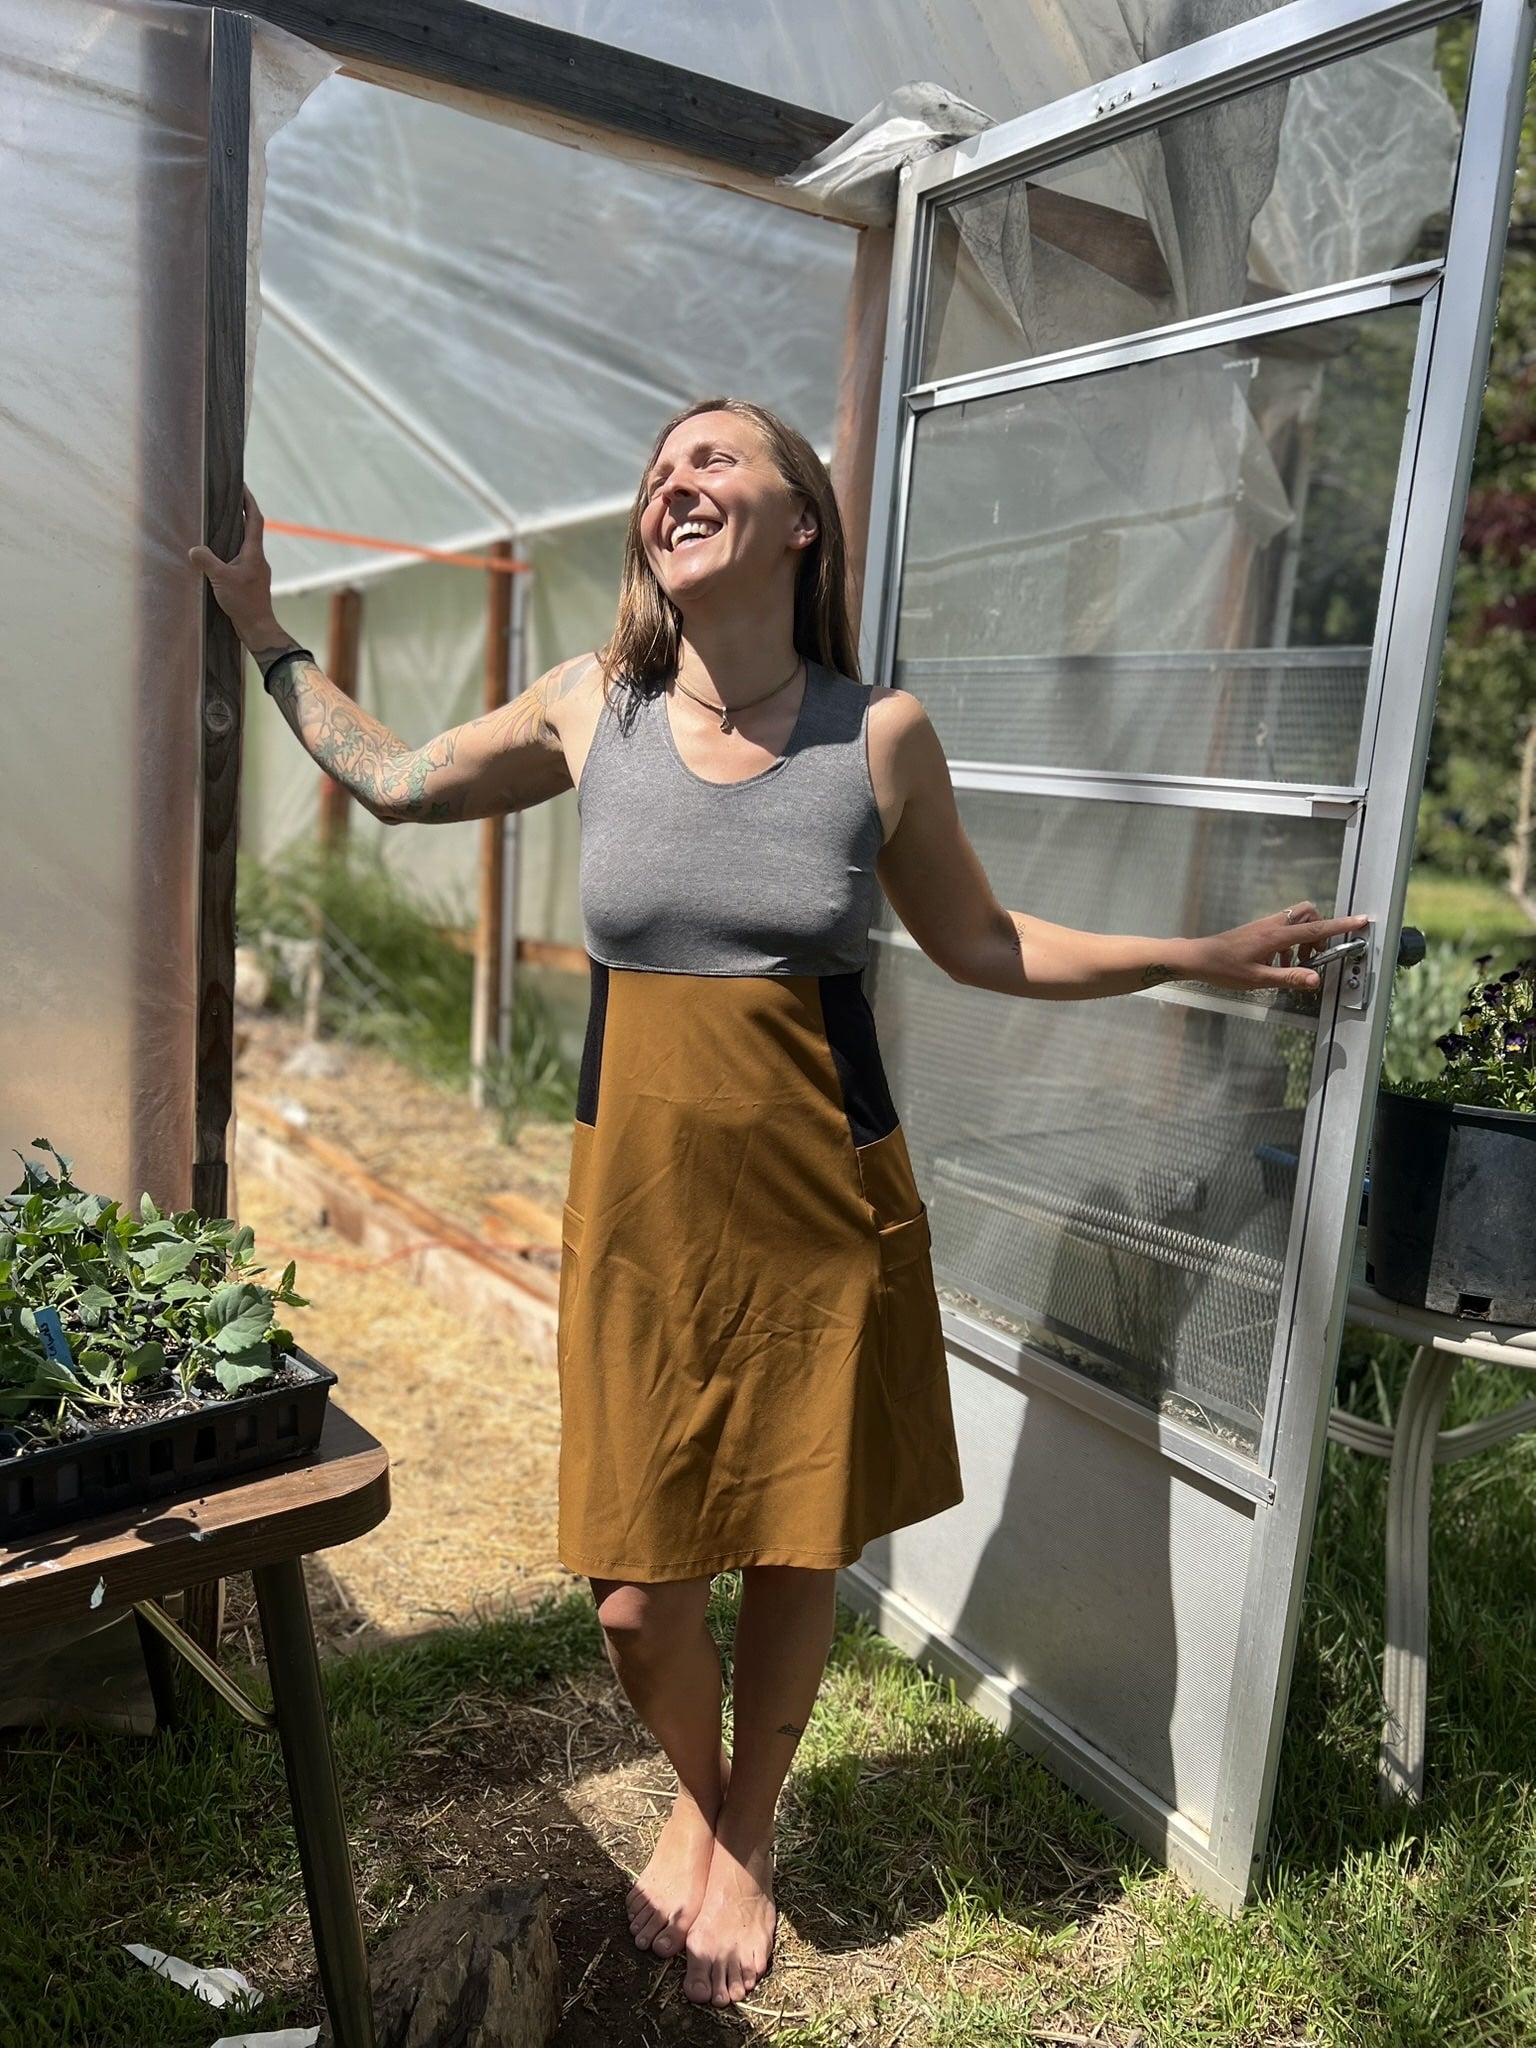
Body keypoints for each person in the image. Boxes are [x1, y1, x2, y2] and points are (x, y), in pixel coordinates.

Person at [192, 396, 1366, 2010]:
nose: (674, 481)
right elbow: (392, 779)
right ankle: (702, 1779)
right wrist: (264, 636)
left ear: (798, 519)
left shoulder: (876, 734)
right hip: (642, 1209)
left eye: (714, 459)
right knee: (632, 1599)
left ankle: (741, 1824)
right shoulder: (588, 706)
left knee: (795, 1532)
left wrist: (1196, 956)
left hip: (823, 1196)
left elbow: (986, 943)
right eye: (660, 469)